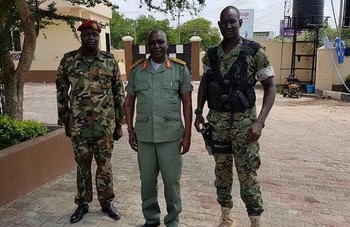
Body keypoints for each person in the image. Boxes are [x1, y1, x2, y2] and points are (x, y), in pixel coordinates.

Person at [194, 6, 276, 227]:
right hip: (218, 124)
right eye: (224, 22)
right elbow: (204, 83)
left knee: (247, 174)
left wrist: (260, 122)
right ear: (219, 25)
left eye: (232, 21)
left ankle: (254, 220)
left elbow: (270, 87)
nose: (228, 26)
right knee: (222, 173)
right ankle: (226, 217)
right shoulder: (211, 54)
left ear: (240, 22)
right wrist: (199, 113)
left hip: (245, 127)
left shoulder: (254, 52)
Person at [56, 20, 125, 224]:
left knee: (105, 166)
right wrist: (65, 119)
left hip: (104, 125)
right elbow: (60, 90)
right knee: (82, 166)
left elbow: (118, 93)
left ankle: (106, 203)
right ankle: (82, 204)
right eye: (87, 34)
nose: (91, 38)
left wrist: (119, 124)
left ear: (99, 37)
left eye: (94, 35)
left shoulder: (109, 60)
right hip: (79, 125)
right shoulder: (69, 60)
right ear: (81, 37)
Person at [124, 29, 193, 227]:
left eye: (160, 42)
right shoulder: (138, 70)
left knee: (171, 182)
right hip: (145, 137)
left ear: (167, 44)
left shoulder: (180, 69)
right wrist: (130, 130)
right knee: (147, 182)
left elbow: (187, 103)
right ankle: (151, 218)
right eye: (152, 43)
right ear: (147, 45)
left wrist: (187, 135)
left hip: (171, 137)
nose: (156, 46)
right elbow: (128, 103)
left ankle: (172, 220)